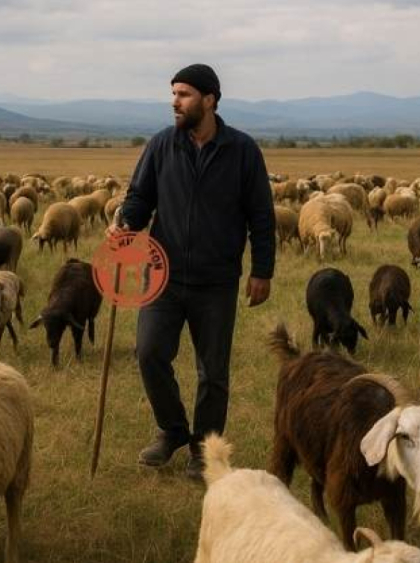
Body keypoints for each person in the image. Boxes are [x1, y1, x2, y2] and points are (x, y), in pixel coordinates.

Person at [109, 63, 276, 480]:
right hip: (161, 274)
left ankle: (205, 449)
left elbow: (261, 214)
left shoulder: (242, 150)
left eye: (183, 94)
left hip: (216, 280)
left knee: (213, 372)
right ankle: (172, 430)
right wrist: (126, 221)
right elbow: (139, 197)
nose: (175, 102)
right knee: (149, 353)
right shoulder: (163, 145)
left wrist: (262, 270)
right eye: (174, 94)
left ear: (209, 99)